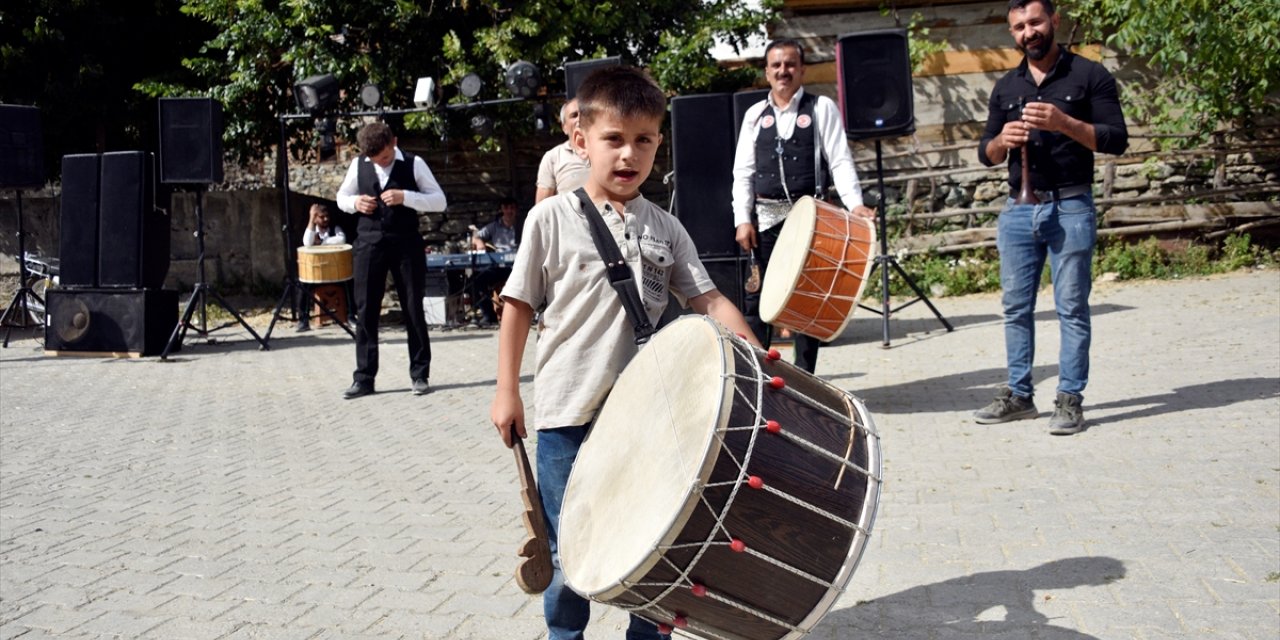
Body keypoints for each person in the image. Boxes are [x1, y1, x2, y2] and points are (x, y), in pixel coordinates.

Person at [489, 66, 759, 640]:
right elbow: (516, 305)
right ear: (581, 140)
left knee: (656, 541)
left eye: (644, 140)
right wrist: (507, 390)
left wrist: (757, 355)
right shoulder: (550, 218)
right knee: (569, 551)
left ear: (659, 143)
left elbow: (708, 300)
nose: (628, 154)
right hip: (568, 412)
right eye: (614, 139)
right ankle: (566, 635)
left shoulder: (666, 226)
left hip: (647, 416)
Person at [972, 0, 1128, 434]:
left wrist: (1064, 123)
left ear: (1054, 21)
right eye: (1020, 27)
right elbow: (985, 153)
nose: (1029, 32)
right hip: (1018, 211)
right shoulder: (1006, 86)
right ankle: (1020, 396)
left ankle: (1069, 399)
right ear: (1013, 33)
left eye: (1036, 22)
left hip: (1071, 206)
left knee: (1071, 308)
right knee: (1015, 308)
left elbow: (1116, 140)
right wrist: (1002, 139)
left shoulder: (1090, 76)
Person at [731, 38, 875, 374]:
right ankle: (759, 377)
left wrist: (855, 205)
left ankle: (805, 378)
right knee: (758, 301)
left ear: (802, 69)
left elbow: (839, 161)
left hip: (810, 219)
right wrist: (742, 219)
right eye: (777, 65)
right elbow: (743, 173)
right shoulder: (755, 115)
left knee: (808, 300)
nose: (784, 71)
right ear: (766, 72)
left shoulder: (820, 107)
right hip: (765, 219)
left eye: (790, 64)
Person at [336, 121, 447, 399]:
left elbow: (439, 201)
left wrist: (406, 197)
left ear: (393, 142)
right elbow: (341, 197)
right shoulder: (358, 164)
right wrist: (355, 203)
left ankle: (420, 374)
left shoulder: (414, 163)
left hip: (406, 243)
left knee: (412, 307)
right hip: (368, 244)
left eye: (385, 157)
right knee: (366, 310)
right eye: (376, 160)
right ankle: (364, 378)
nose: (382, 163)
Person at [296, 203, 350, 332]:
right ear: (315, 219)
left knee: (349, 282)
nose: (325, 219)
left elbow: (341, 239)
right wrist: (311, 220)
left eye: (327, 216)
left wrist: (322, 243)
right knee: (302, 285)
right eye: (321, 217)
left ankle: (351, 315)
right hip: (317, 273)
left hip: (334, 272)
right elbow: (307, 243)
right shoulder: (312, 230)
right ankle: (303, 320)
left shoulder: (334, 228)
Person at [470, 196, 520, 325]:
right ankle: (489, 316)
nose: (509, 211)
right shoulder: (494, 226)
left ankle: (522, 316)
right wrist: (480, 243)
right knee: (476, 281)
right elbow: (476, 236)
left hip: (519, 267)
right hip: (499, 267)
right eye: (506, 208)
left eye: (512, 208)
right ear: (501, 209)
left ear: (516, 210)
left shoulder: (523, 225)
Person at [534, 98, 590, 203]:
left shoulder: (608, 151)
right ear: (564, 127)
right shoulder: (553, 157)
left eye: (584, 114)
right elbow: (542, 207)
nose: (580, 119)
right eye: (574, 115)